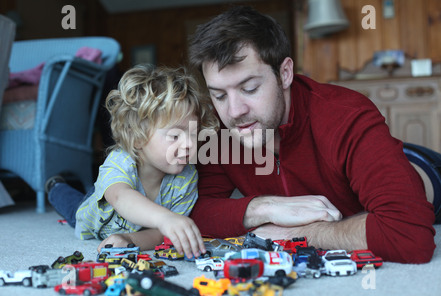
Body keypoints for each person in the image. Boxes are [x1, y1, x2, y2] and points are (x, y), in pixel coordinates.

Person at [188, 6, 436, 263]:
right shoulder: (219, 131)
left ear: (284, 74)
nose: (235, 111)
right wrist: (264, 207)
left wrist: (298, 233)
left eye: (249, 88)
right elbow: (193, 211)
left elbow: (409, 235)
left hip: (424, 169)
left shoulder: (345, 116)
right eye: (219, 95)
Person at [46, 64, 219, 258]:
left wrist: (129, 239)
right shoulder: (121, 161)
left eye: (194, 134)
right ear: (137, 137)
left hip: (129, 227)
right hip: (92, 214)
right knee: (72, 206)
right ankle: (55, 186)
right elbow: (121, 197)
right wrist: (166, 218)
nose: (189, 144)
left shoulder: (186, 179)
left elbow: (162, 233)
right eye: (175, 135)